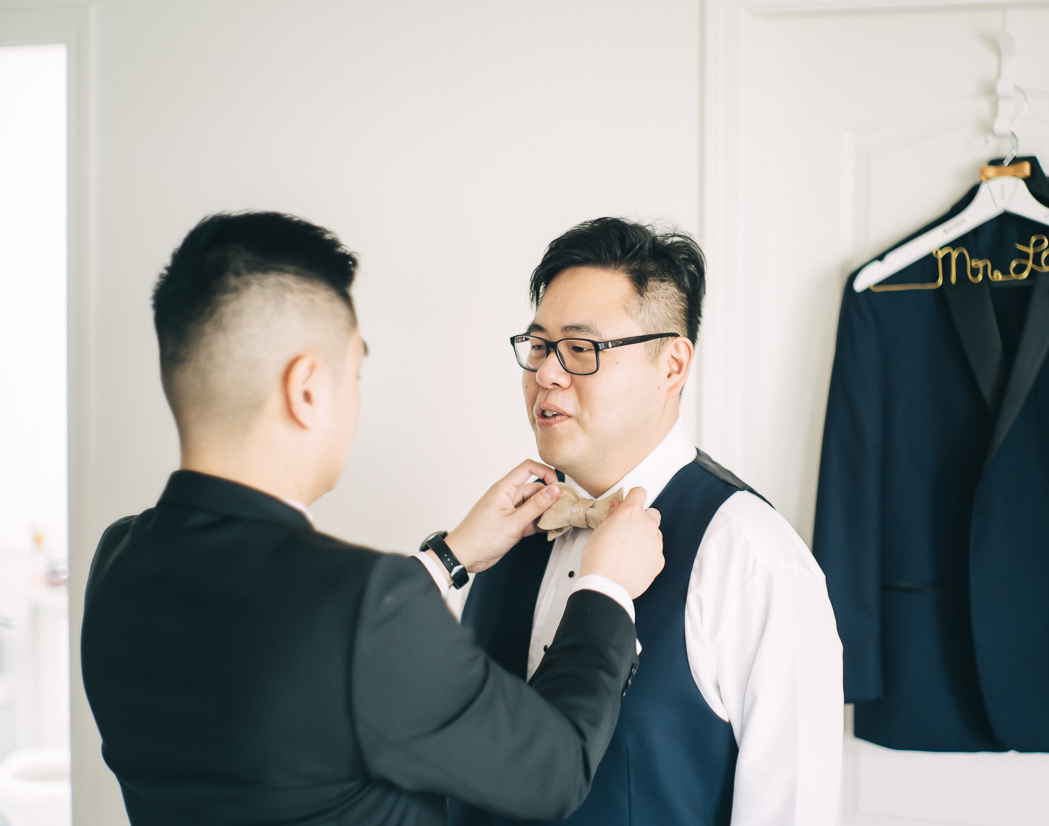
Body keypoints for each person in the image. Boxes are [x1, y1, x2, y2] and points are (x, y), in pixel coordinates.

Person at [80, 211, 664, 826]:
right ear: (307, 390)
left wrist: (449, 557)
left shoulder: (119, 561)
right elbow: (554, 768)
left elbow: (302, 647)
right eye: (354, 373)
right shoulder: (365, 607)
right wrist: (604, 589)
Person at [451, 217, 845, 826]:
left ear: (672, 366)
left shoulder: (754, 558)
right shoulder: (500, 533)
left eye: (581, 349)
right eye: (539, 346)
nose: (547, 374)